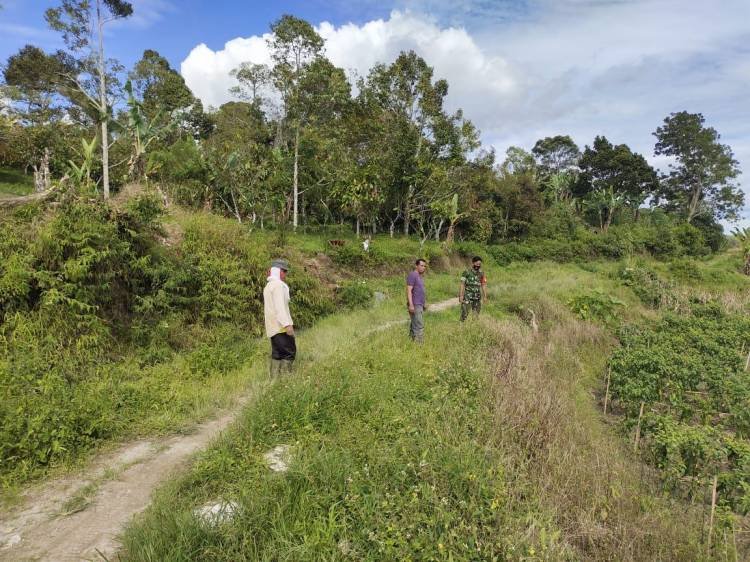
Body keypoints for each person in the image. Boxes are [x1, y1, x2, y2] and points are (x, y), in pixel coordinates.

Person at [263, 258, 295, 376]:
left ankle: (274, 381)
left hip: (272, 328)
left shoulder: (269, 286)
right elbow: (280, 307)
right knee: (289, 353)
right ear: (277, 271)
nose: (285, 274)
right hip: (281, 327)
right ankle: (286, 381)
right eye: (284, 271)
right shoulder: (278, 286)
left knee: (277, 354)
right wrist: (287, 325)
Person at [459, 256, 487, 321]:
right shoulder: (466, 272)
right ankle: (461, 327)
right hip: (467, 296)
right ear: (473, 263)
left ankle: (473, 328)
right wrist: (461, 295)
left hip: (477, 297)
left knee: (476, 315)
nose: (478, 266)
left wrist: (485, 296)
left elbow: (483, 285)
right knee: (464, 313)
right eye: (476, 264)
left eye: (479, 264)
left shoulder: (481, 273)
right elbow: (462, 284)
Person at [406, 258, 428, 343]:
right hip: (415, 304)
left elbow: (420, 291)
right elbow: (409, 290)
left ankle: (410, 342)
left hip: (419, 304)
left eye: (424, 266)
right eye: (421, 265)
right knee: (419, 326)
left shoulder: (419, 277)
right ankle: (420, 345)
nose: (423, 267)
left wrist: (424, 304)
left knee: (414, 324)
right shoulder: (413, 275)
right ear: (416, 266)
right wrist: (411, 305)